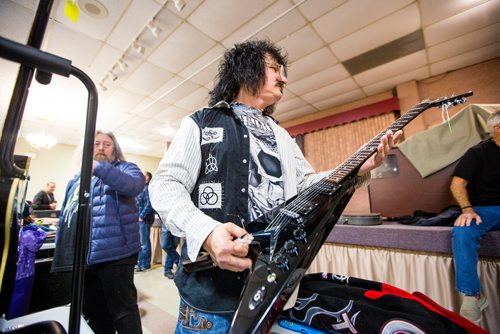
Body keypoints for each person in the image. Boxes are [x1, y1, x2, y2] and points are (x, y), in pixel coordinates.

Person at [149, 39, 402, 333]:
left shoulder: (282, 137)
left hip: (273, 286)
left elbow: (307, 185)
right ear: (245, 71)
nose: (284, 77)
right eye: (274, 68)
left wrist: (359, 166)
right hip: (211, 295)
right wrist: (204, 232)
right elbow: (165, 184)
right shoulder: (200, 123)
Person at [51, 130, 145, 334]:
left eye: (107, 144)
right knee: (95, 313)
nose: (101, 147)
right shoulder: (76, 179)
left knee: (123, 312)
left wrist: (97, 168)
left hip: (117, 253)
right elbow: (66, 215)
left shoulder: (127, 168)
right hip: (83, 255)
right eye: (96, 143)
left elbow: (134, 186)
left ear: (115, 148)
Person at [450, 110, 500, 323]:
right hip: (484, 209)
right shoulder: (478, 152)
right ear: (497, 129)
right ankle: (472, 296)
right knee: (462, 230)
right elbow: (457, 184)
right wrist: (467, 209)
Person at [135, 171, 155, 272]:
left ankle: (145, 265)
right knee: (140, 243)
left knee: (144, 243)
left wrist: (142, 216)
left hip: (144, 219)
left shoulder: (148, 188)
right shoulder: (140, 188)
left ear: (147, 178)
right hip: (137, 219)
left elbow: (150, 204)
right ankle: (140, 263)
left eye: (144, 175)